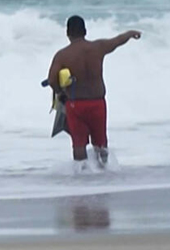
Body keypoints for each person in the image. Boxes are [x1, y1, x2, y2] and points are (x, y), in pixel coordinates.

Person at [47, 16, 141, 169]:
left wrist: (60, 92)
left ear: (67, 33)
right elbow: (117, 41)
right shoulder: (98, 47)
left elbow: (52, 80)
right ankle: (104, 173)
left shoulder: (62, 55)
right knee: (101, 144)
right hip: (97, 103)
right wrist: (130, 33)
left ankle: (82, 176)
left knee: (78, 145)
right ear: (85, 31)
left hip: (75, 105)